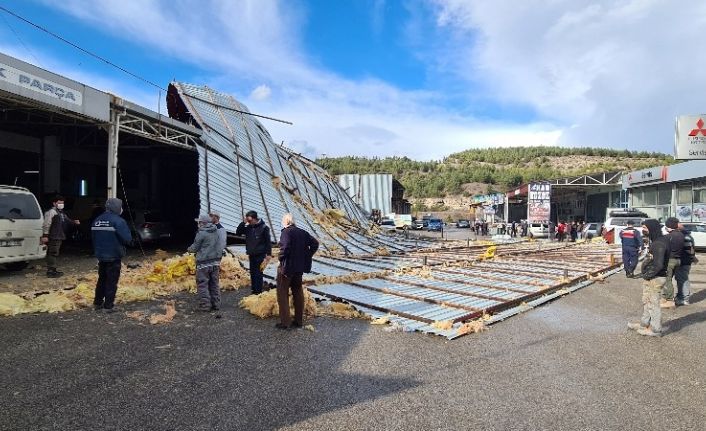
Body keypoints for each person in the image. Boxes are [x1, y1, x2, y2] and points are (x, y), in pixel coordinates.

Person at [276, 213, 319, 329]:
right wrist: (307, 255)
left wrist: (280, 257)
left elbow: (285, 248)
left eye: (282, 221)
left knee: (282, 293)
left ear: (286, 222)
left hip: (287, 268)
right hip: (299, 268)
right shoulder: (303, 232)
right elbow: (315, 243)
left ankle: (285, 322)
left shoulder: (286, 232)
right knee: (297, 291)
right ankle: (299, 321)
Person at [628, 219, 670, 337]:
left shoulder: (659, 244)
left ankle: (655, 329)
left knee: (653, 303)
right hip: (651, 277)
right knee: (647, 301)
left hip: (656, 278)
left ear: (652, 228)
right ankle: (644, 324)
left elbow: (659, 264)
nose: (643, 230)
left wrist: (647, 275)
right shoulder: (656, 241)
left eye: (645, 228)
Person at [91, 198, 132, 312]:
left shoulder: (97, 220)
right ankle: (108, 306)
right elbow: (127, 238)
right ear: (116, 207)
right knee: (111, 281)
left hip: (101, 255)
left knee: (102, 279)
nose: (121, 209)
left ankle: (97, 303)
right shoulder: (118, 221)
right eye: (120, 206)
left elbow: (93, 238)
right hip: (114, 255)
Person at [188, 214, 223, 312]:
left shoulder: (201, 233)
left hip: (204, 263)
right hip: (215, 262)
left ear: (202, 223)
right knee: (214, 283)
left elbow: (195, 247)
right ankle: (216, 304)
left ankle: (205, 305)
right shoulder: (216, 231)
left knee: (202, 284)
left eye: (199, 222)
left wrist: (189, 249)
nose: (198, 224)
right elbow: (220, 245)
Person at [42, 195, 80, 278]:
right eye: (59, 203)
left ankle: (53, 269)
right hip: (54, 236)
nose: (61, 204)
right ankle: (51, 271)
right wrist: (45, 235)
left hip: (59, 235)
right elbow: (46, 224)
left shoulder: (61, 213)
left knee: (55, 252)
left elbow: (67, 220)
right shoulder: (51, 212)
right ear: (54, 203)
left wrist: (74, 222)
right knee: (53, 252)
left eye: (62, 203)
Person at [236, 210, 272, 294]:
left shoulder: (264, 228)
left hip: (260, 254)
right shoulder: (248, 227)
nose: (249, 222)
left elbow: (268, 242)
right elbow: (238, 233)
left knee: (258, 273)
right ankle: (254, 290)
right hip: (251, 254)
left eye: (250, 221)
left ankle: (258, 292)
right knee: (252, 273)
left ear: (255, 219)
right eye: (248, 221)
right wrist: (243, 222)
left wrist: (269, 254)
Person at [661, 217, 685, 309]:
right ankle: (665, 298)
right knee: (670, 279)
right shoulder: (681, 235)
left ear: (669, 227)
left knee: (667, 280)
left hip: (670, 260)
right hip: (678, 260)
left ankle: (669, 300)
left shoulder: (668, 237)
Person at [675, 223, 697, 306]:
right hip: (685, 261)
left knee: (683, 279)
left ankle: (684, 298)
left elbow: (689, 251)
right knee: (680, 279)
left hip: (684, 261)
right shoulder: (687, 236)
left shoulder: (685, 237)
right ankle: (681, 296)